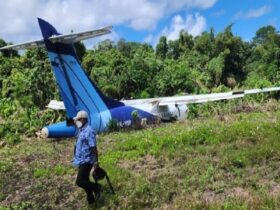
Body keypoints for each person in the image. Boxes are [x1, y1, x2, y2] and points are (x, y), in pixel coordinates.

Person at [73, 110, 100, 205]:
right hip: (81, 160)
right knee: (85, 180)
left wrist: (96, 162)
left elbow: (93, 147)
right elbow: (70, 121)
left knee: (80, 182)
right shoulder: (82, 129)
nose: (76, 122)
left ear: (83, 120)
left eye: (78, 120)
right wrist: (75, 121)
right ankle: (91, 200)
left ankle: (97, 188)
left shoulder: (89, 131)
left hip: (87, 160)